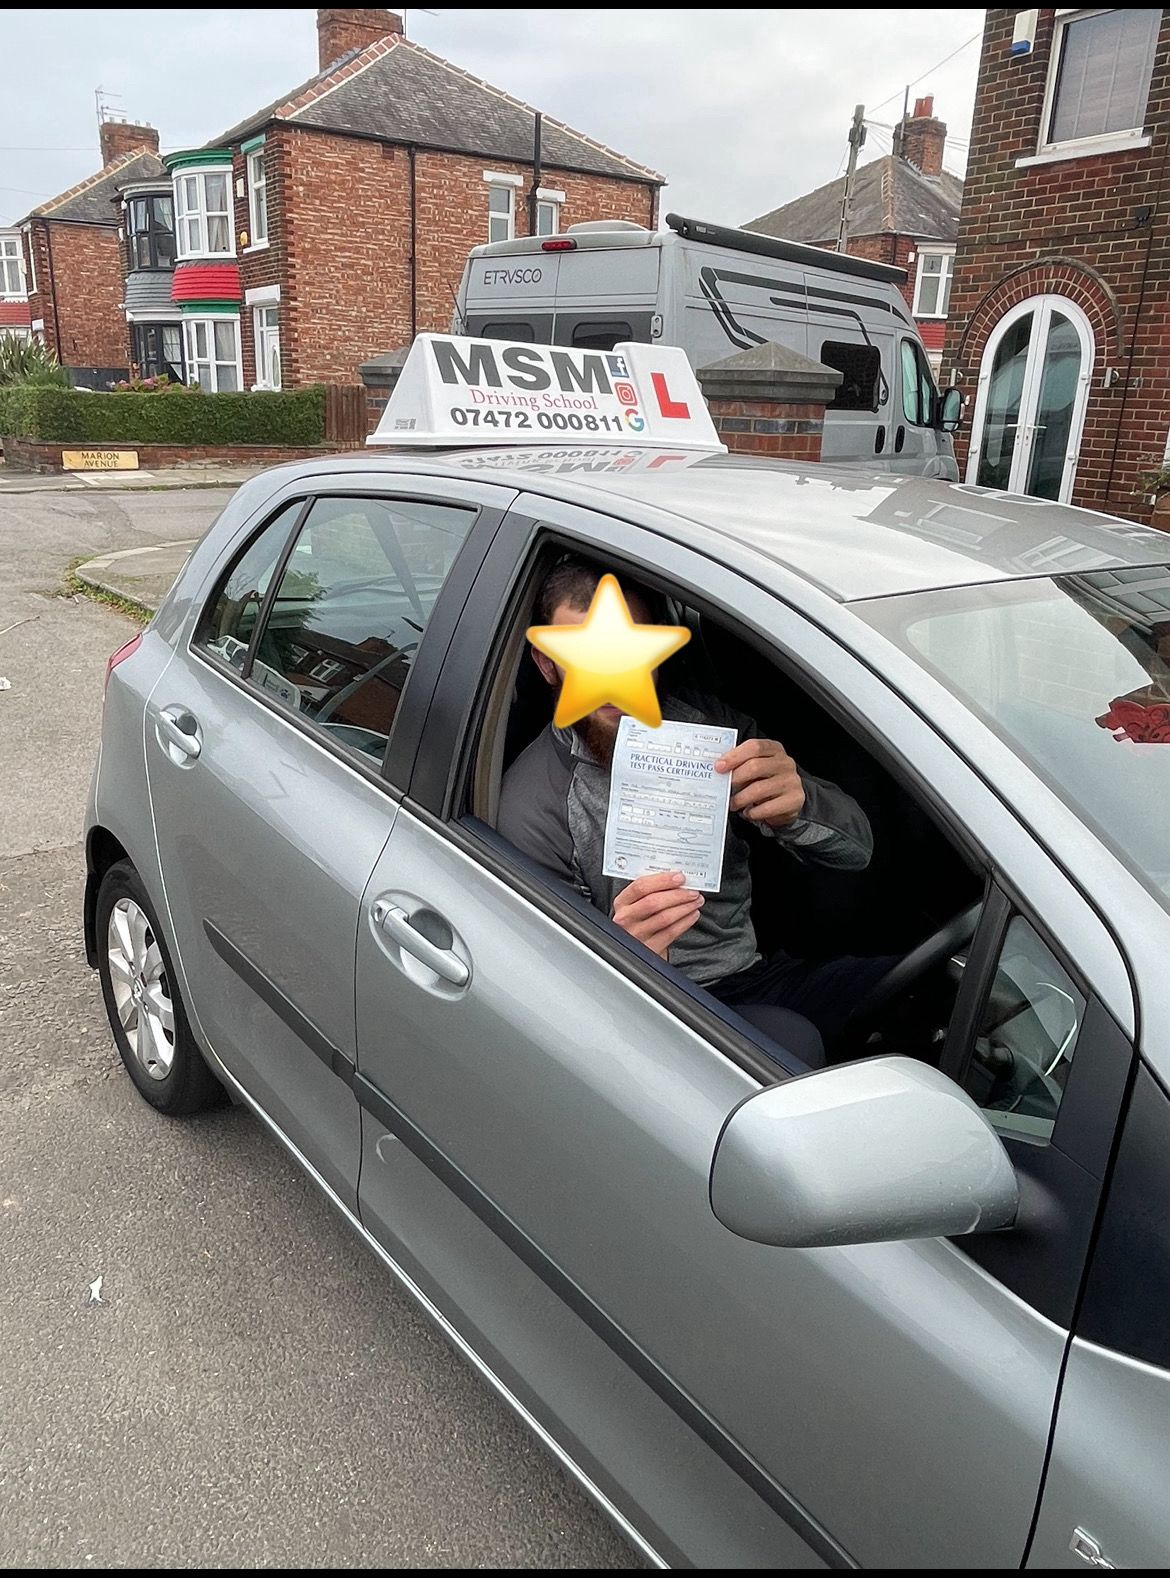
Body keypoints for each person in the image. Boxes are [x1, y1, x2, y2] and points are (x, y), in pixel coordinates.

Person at [498, 555, 894, 1047]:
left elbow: (858, 851)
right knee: (795, 1041)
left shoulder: (709, 727)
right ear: (548, 665)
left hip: (760, 973)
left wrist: (801, 806)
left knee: (938, 988)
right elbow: (558, 1005)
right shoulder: (533, 804)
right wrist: (625, 954)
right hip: (659, 1013)